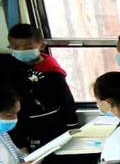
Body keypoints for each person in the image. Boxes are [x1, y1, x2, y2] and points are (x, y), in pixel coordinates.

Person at [0, 24, 78, 153]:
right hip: (19, 125)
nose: (21, 51)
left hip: (51, 125)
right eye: (16, 47)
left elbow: (66, 101)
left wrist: (72, 126)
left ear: (41, 45)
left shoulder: (52, 72)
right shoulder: (7, 67)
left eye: (27, 47)